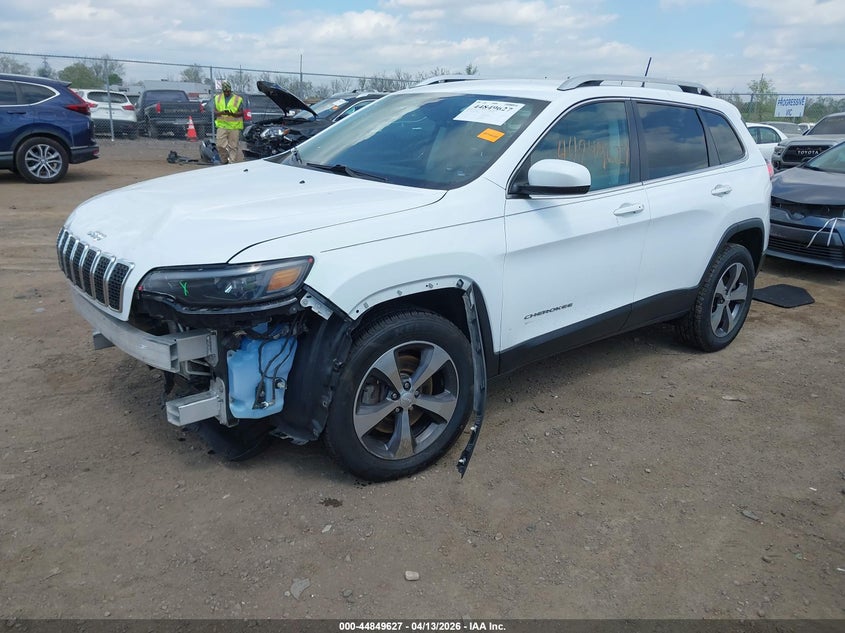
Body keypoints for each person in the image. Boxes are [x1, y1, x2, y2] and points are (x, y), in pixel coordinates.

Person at [213, 81, 244, 164]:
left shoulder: (238, 99)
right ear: (223, 91)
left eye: (228, 91)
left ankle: (232, 163)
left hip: (234, 126)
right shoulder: (217, 98)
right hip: (222, 125)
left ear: (231, 90)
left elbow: (241, 113)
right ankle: (224, 160)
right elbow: (215, 112)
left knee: (233, 146)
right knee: (219, 145)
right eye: (225, 91)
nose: (227, 93)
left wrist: (232, 114)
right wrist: (221, 112)